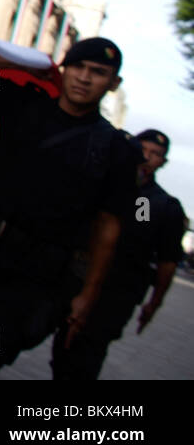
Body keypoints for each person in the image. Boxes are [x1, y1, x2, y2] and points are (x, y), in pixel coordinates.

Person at [0, 37, 141, 380]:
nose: (85, 78)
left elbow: (109, 225)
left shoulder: (118, 150)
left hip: (33, 280)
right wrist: (20, 64)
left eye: (98, 72)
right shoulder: (22, 104)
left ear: (113, 83)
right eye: (77, 66)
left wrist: (88, 294)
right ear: (63, 69)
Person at [50, 127, 186, 379]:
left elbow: (168, 262)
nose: (147, 157)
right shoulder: (102, 181)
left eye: (155, 154)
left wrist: (154, 304)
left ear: (163, 162)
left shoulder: (165, 207)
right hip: (74, 280)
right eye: (142, 149)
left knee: (82, 360)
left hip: (115, 295)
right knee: (58, 346)